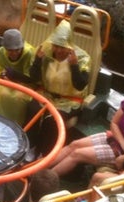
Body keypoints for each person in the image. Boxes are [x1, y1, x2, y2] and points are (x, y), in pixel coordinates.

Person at [50, 80, 124, 177]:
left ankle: (46, 178)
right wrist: (122, 142)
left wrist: (123, 158)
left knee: (77, 154)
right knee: (74, 145)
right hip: (114, 138)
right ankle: (42, 168)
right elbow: (114, 123)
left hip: (122, 153)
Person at [25, 20, 91, 155]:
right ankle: (30, 146)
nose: (59, 50)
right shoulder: (46, 53)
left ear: (69, 46)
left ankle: (45, 153)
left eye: (63, 47)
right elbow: (34, 78)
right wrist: (38, 61)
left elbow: (80, 85)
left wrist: (74, 66)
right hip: (46, 94)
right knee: (32, 109)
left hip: (69, 100)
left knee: (52, 120)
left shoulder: (82, 58)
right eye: (56, 46)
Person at [0, 29, 36, 125]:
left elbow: (31, 78)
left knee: (19, 97)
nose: (14, 53)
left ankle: (16, 126)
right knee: (1, 94)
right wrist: (3, 78)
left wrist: (15, 78)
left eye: (17, 50)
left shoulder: (29, 53)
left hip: (24, 86)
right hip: (6, 83)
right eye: (10, 50)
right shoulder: (1, 52)